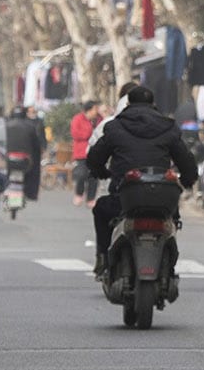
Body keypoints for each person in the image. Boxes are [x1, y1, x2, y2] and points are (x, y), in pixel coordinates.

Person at [84, 82, 197, 275]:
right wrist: (187, 180)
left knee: (101, 210)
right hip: (163, 200)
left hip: (124, 199)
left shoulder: (115, 127)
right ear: (153, 104)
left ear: (127, 103)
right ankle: (169, 262)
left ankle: (103, 256)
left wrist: (101, 172)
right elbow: (186, 161)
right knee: (173, 219)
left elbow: (94, 158)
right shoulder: (168, 128)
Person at [3, 105, 45, 203]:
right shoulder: (30, 127)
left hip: (9, 160)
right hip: (25, 161)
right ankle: (31, 193)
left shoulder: (5, 126)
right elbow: (36, 145)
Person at [68, 100, 99, 205]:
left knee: (94, 176)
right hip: (81, 152)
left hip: (94, 152)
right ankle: (79, 194)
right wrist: (89, 132)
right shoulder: (78, 119)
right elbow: (76, 134)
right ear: (89, 110)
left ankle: (91, 198)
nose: (96, 111)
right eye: (95, 109)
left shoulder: (97, 120)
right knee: (81, 174)